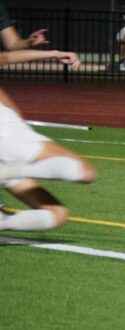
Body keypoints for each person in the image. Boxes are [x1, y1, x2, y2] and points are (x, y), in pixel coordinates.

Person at [0, 23, 96, 231]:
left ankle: (3, 221)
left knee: (58, 214)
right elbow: (6, 58)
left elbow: (7, 55)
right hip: (6, 134)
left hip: (10, 135)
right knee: (85, 172)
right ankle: (6, 171)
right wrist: (55, 53)